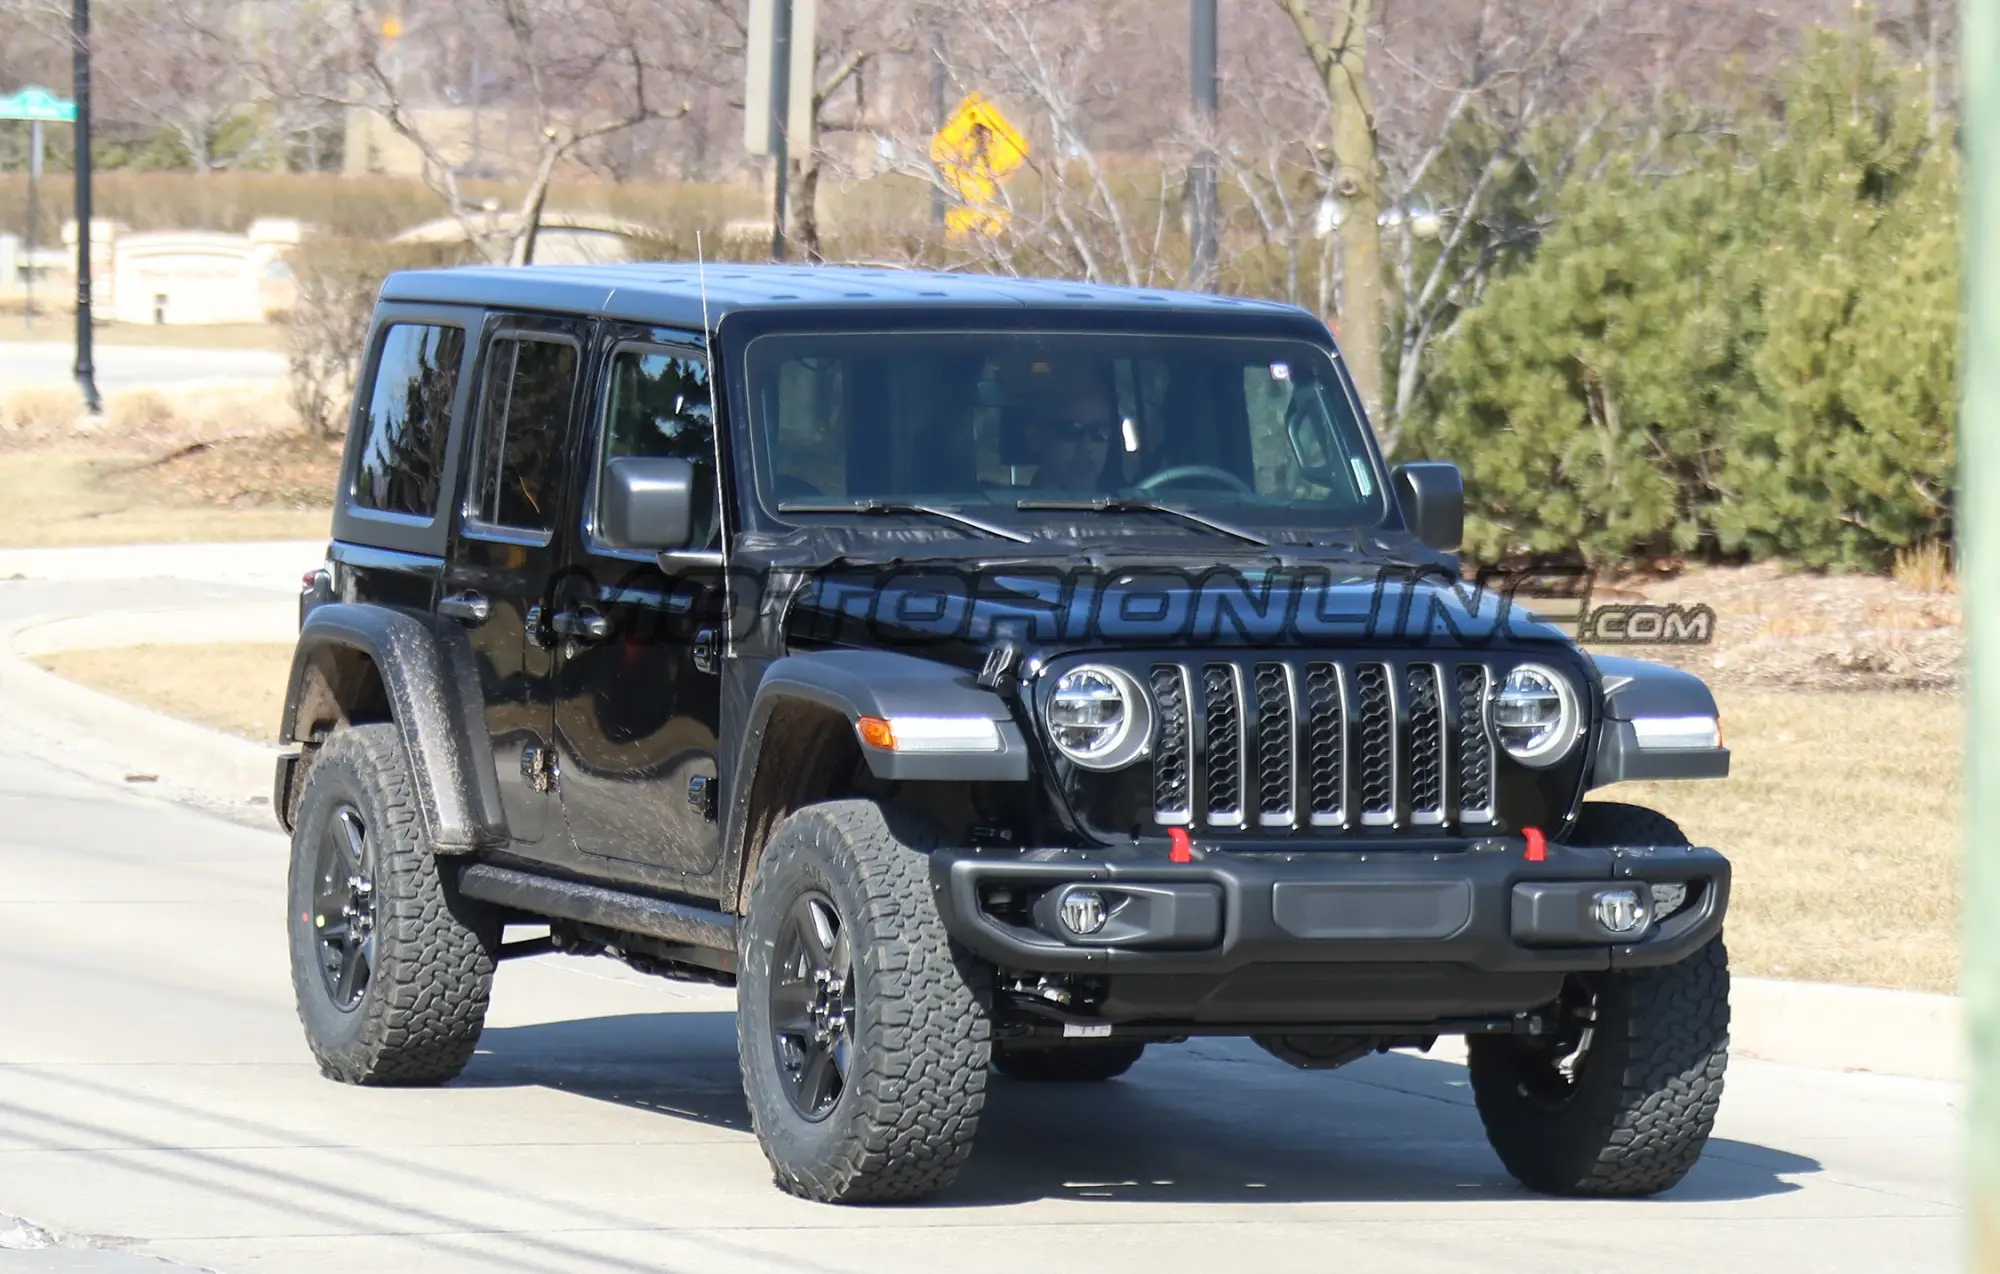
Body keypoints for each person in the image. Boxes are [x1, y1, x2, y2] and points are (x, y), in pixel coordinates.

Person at [1023, 388, 1116, 492]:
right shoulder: (1007, 506)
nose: (1086, 446)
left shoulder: (1127, 502)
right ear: (1036, 437)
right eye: (1071, 431)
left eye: (1099, 431)